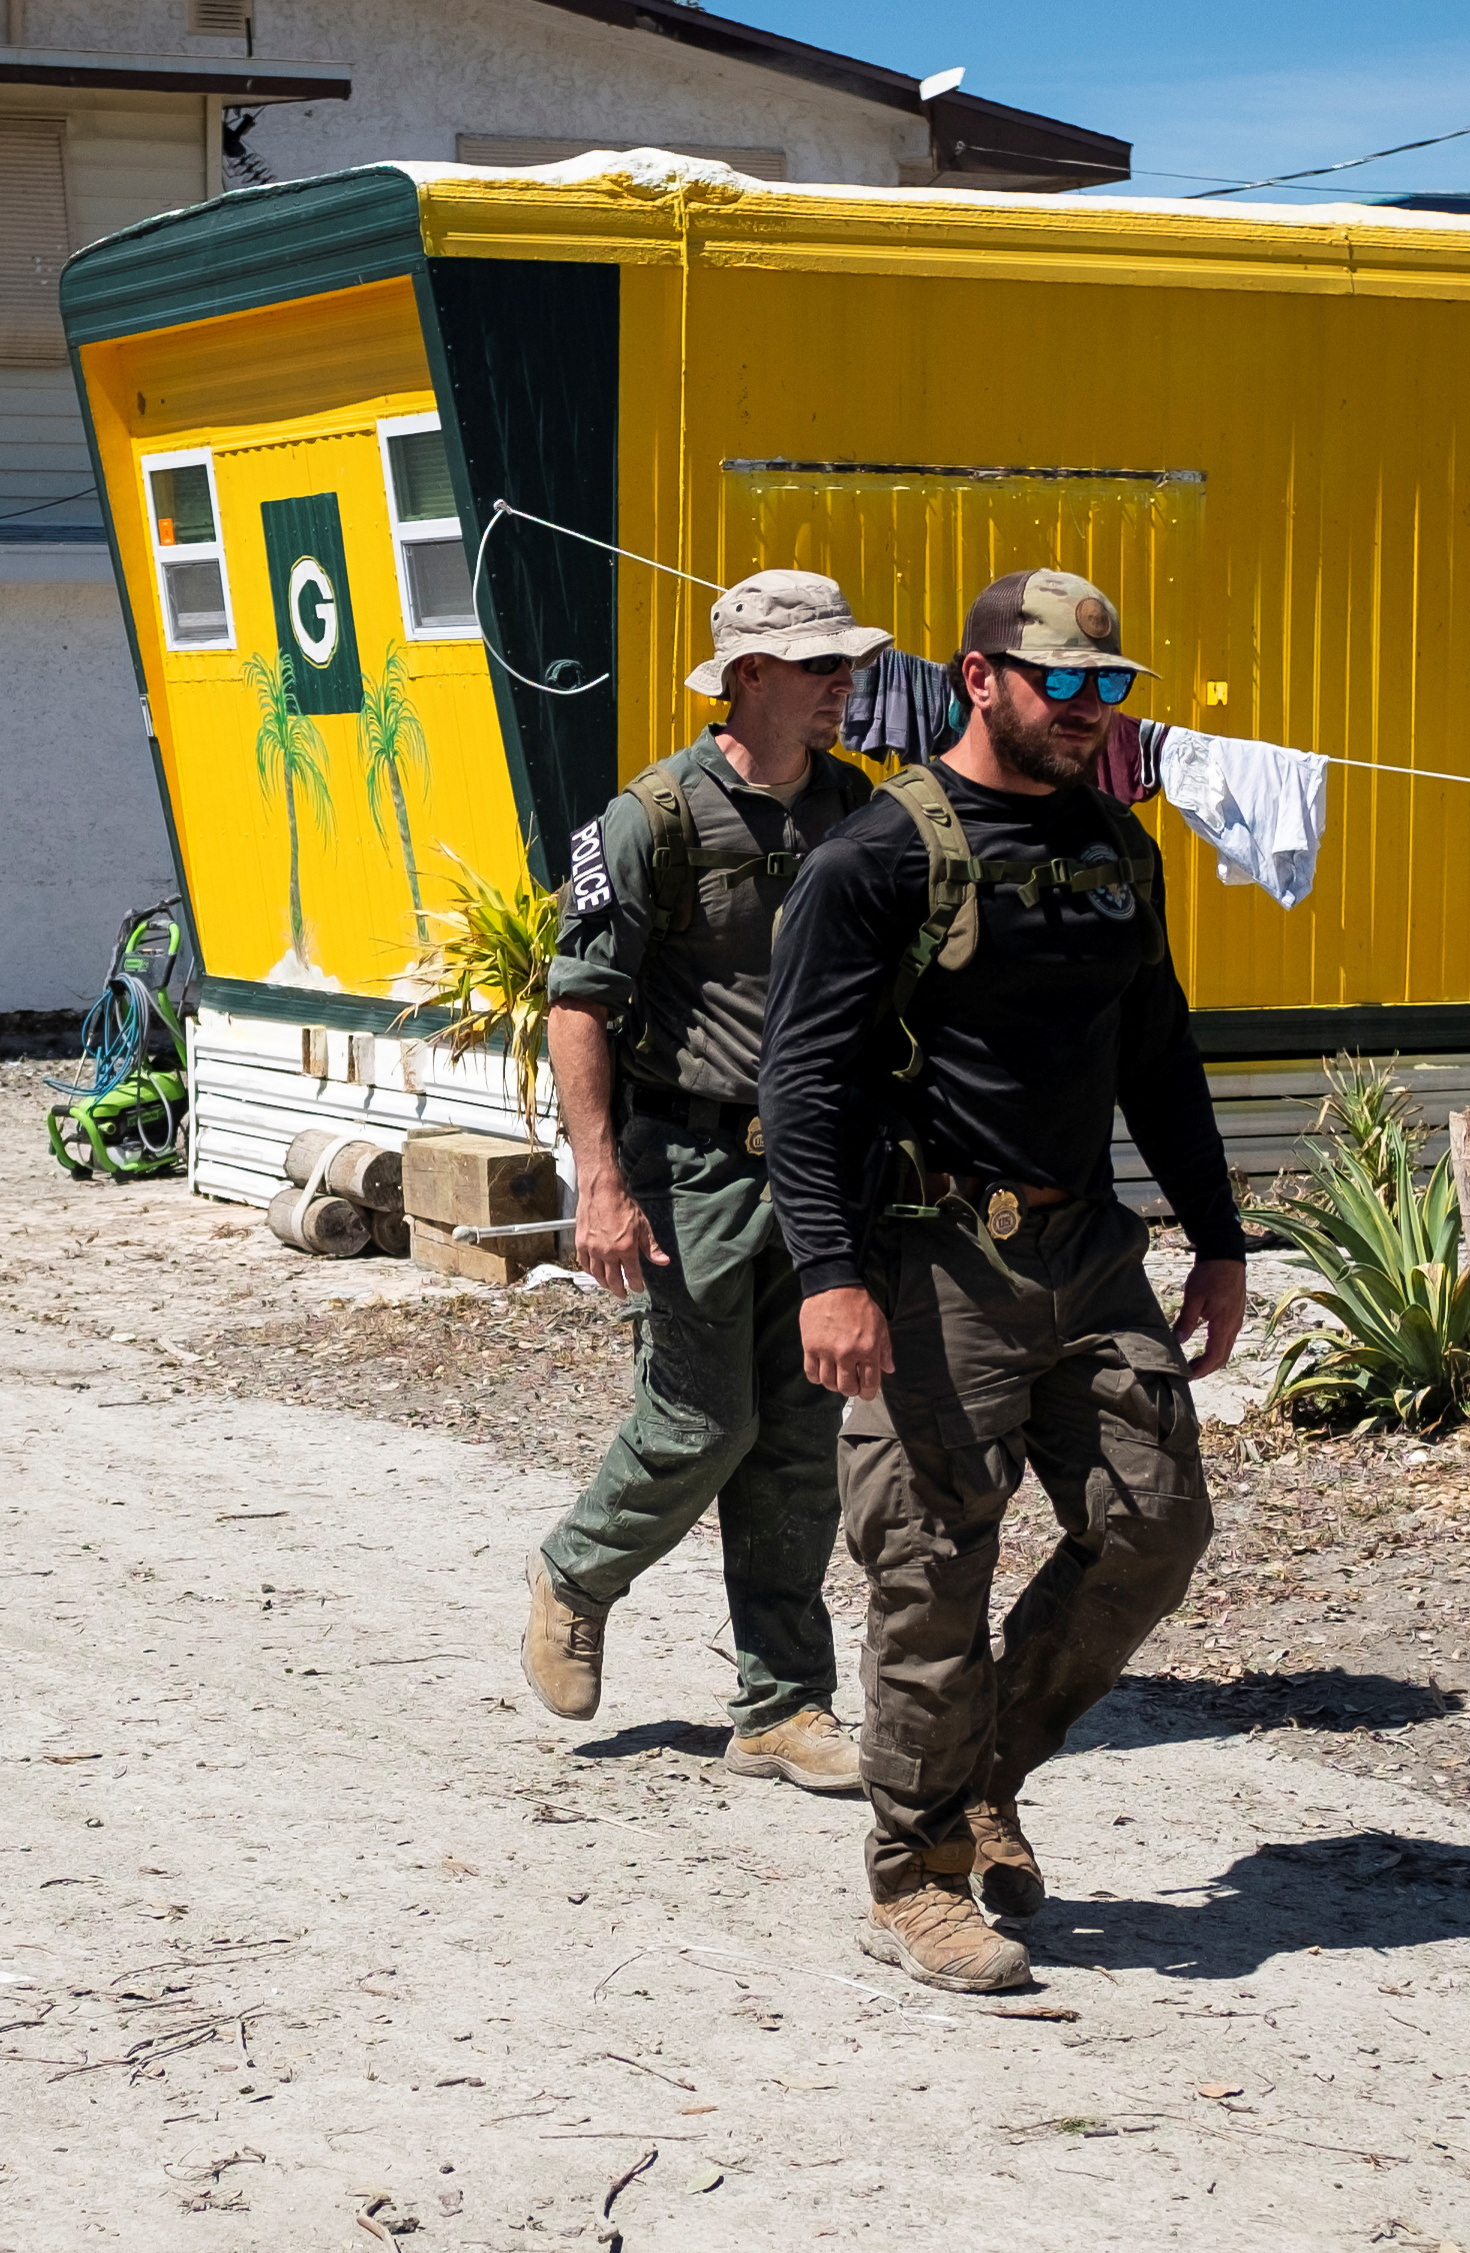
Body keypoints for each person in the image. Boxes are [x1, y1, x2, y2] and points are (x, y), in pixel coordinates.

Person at [760, 569, 1248, 1995]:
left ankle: (982, 1776)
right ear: (978, 679)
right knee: (925, 1569)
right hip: (929, 1259)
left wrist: (1216, 1239)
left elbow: (1154, 1047)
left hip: (1088, 1246)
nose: (1092, 714)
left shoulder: (1113, 846)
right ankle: (914, 1875)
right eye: (1063, 686)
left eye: (1111, 688)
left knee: (1153, 1523)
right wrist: (828, 1276)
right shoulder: (874, 859)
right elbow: (802, 1087)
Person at [524, 569, 885, 1793]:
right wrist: (599, 1181)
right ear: (747, 677)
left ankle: (782, 1706)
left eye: (848, 662)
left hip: (822, 1167)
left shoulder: (859, 808)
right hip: (684, 1164)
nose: (847, 683)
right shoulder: (649, 818)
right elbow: (577, 1006)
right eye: (822, 665)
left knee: (796, 1440)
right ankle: (578, 1570)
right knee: (700, 1419)